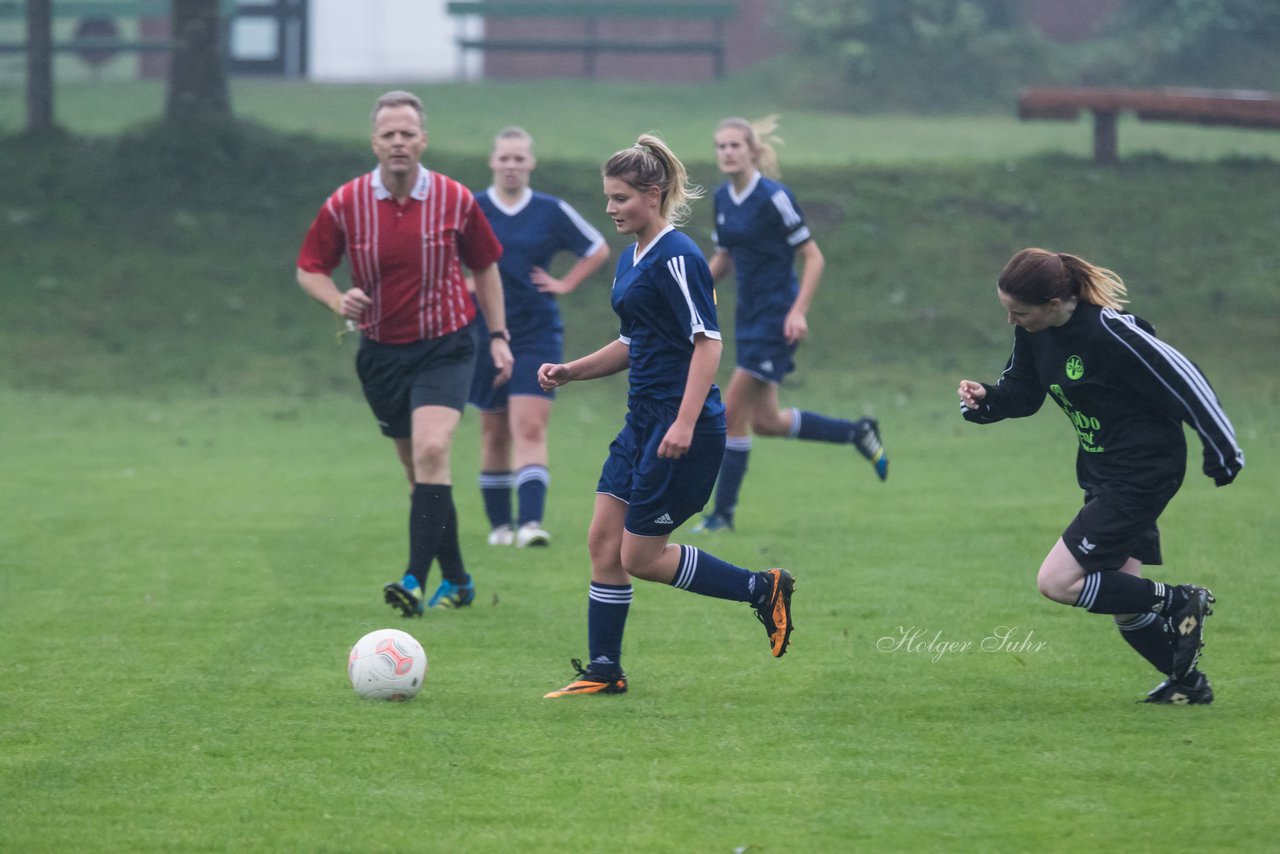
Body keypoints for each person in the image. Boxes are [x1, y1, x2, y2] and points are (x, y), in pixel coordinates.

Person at [537, 134, 796, 699]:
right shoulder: (632, 257)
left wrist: (682, 423)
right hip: (641, 423)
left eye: (621, 198)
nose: (611, 209)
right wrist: (571, 370)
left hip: (683, 429)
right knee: (602, 543)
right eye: (607, 197)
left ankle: (763, 588)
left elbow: (708, 344)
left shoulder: (678, 257)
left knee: (640, 557)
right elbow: (634, 341)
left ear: (653, 195)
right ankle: (604, 669)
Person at [957, 248, 1243, 704]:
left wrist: (1222, 447)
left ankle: (1181, 600)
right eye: (1007, 311)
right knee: (1125, 604)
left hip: (1143, 472)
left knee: (1057, 581)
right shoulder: (1038, 332)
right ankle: (1188, 686)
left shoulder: (1112, 333)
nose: (1012, 321)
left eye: (1019, 312)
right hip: (1102, 471)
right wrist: (985, 401)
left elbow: (1187, 380)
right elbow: (1023, 393)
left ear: (1054, 303)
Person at [296, 90, 513, 617]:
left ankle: (414, 580)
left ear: (423, 140)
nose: (398, 142)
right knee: (421, 477)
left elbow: (484, 266)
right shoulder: (345, 203)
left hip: (447, 344)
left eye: (407, 133)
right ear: (374, 142)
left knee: (433, 451)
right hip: (381, 354)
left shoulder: (455, 199)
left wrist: (500, 336)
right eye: (389, 134)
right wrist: (336, 299)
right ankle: (458, 581)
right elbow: (310, 268)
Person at [693, 116, 888, 535]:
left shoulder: (775, 197)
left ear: (752, 151)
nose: (726, 152)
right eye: (720, 146)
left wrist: (798, 311)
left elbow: (813, 257)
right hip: (746, 318)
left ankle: (722, 516)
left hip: (776, 319)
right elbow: (724, 258)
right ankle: (857, 432)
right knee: (766, 422)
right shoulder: (724, 199)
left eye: (734, 145)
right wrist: (691, 290)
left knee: (729, 414)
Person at [469, 127, 610, 549]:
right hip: (483, 332)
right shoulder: (472, 209)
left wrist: (564, 284)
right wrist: (457, 285)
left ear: (531, 163)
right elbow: (442, 256)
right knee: (493, 431)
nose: (511, 166)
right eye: (504, 158)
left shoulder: (550, 210)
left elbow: (597, 247)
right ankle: (500, 526)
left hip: (536, 332)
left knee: (529, 425)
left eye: (519, 159)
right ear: (492, 161)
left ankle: (530, 524)